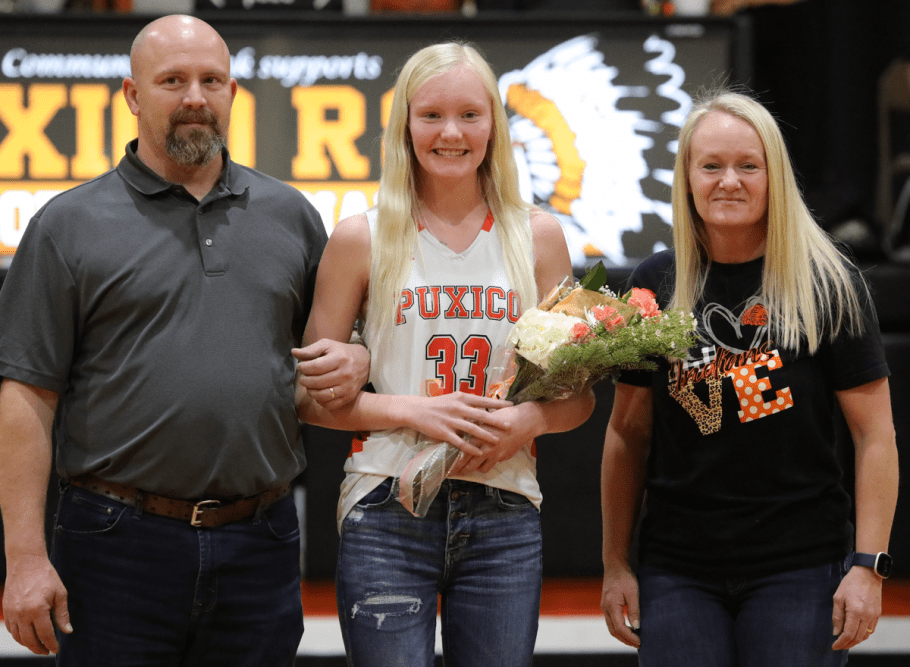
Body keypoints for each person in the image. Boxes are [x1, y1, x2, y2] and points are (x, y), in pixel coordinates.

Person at [0, 14, 367, 666]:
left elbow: (339, 345)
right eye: (173, 80)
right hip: (114, 543)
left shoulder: (293, 216)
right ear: (133, 95)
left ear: (232, 92)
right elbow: (26, 399)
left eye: (211, 80)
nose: (195, 96)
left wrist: (359, 352)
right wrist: (25, 558)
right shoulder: (67, 226)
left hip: (263, 538)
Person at [293, 42, 595, 667]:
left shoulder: (538, 235)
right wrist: (413, 411)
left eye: (469, 115)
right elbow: (308, 400)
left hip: (505, 506)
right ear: (404, 123)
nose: (450, 132)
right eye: (430, 115)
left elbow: (579, 397)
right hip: (385, 504)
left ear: (495, 125)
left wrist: (530, 421)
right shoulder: (360, 238)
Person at [599, 89, 899, 666]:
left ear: (774, 176)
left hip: (801, 567)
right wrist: (616, 565)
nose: (728, 181)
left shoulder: (828, 282)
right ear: (687, 176)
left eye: (747, 166)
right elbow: (626, 437)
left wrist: (868, 566)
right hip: (677, 568)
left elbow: (875, 437)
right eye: (710, 165)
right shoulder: (654, 281)